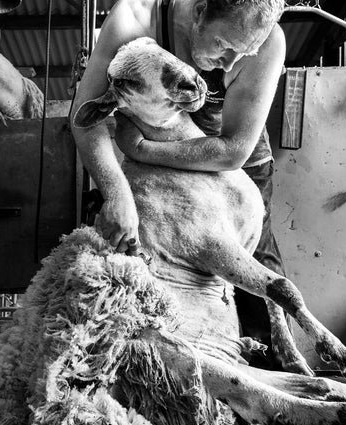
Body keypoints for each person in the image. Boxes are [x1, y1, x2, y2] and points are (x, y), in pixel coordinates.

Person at [70, 0, 288, 367]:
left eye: (244, 51)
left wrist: (143, 150)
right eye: (223, 45)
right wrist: (117, 192)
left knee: (256, 285)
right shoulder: (135, 19)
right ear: (199, 11)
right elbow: (85, 116)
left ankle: (276, 380)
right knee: (161, 282)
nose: (232, 63)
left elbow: (232, 150)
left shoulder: (269, 41)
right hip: (162, 176)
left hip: (233, 170)